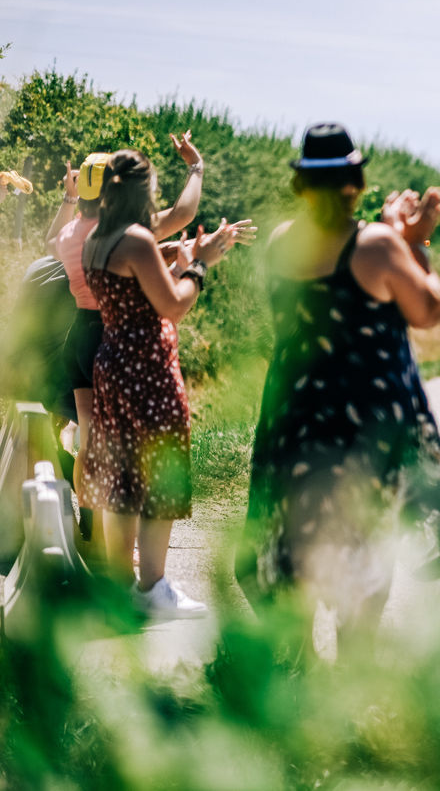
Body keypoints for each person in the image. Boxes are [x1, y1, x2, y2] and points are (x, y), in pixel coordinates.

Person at [237, 123, 440, 658]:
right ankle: (351, 697)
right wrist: (413, 241)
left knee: (296, 554)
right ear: (354, 183)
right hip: (362, 433)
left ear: (301, 187)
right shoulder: (377, 246)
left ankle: (296, 684)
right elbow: (427, 310)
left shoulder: (281, 242)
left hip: (294, 422)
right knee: (363, 560)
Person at [80, 149, 240, 616]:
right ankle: (153, 590)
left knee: (123, 476)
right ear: (142, 189)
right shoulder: (136, 239)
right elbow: (172, 305)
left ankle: (122, 587)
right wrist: (200, 264)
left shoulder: (98, 239)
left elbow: (136, 295)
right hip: (146, 368)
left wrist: (177, 261)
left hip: (112, 364)